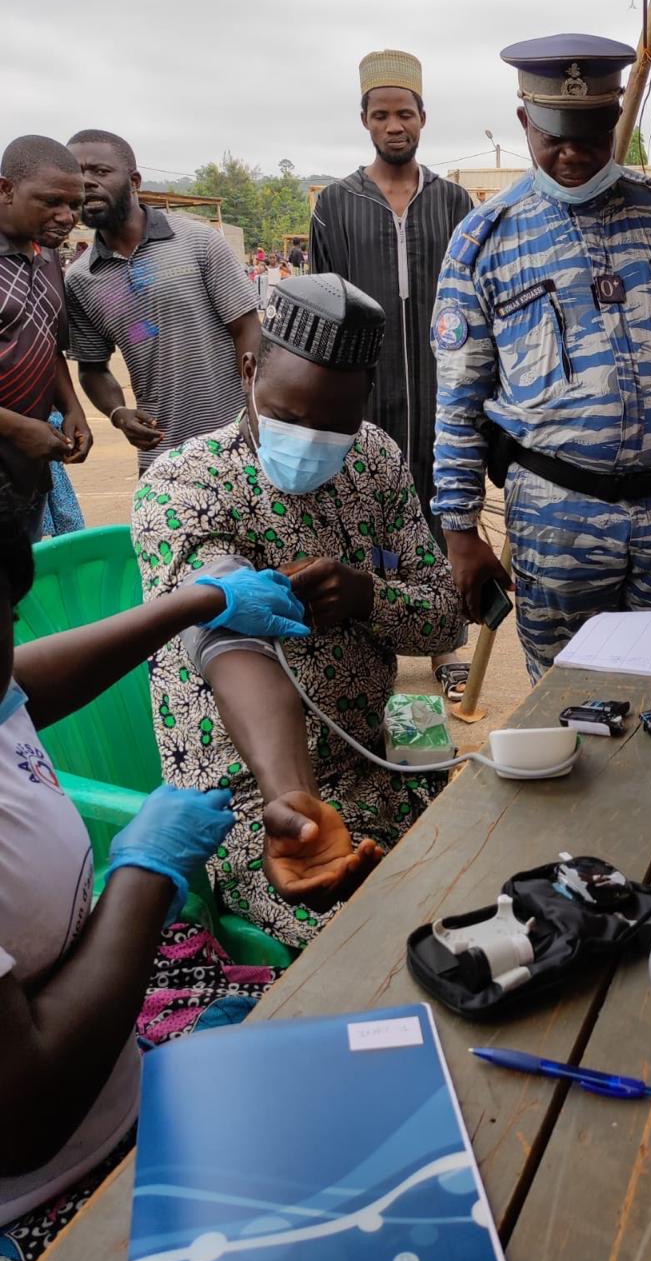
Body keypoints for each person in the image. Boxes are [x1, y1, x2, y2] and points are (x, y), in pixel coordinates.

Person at [0, 486, 312, 1261]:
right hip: (43, 1193)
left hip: (119, 1074)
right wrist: (144, 875)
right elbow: (24, 1117)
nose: (8, 661)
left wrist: (198, 602)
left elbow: (22, 687)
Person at [132, 274, 465, 949]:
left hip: (379, 768)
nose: (312, 439)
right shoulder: (186, 484)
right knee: (383, 947)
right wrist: (293, 802)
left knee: (489, 900)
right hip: (257, 809)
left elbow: (444, 618)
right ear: (250, 369)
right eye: (292, 414)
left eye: (333, 424)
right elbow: (231, 647)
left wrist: (369, 596)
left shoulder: (373, 459)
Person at [431, 33, 651, 679]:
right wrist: (460, 531)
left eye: (590, 132)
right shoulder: (482, 241)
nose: (573, 152)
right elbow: (459, 402)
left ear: (614, 118)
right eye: (554, 134)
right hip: (555, 515)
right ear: (525, 120)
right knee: (566, 694)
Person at [310, 50, 473, 700]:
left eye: (404, 112)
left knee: (445, 513)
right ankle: (377, 633)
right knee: (366, 517)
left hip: (443, 389)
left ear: (423, 118)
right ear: (364, 120)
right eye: (381, 114)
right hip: (364, 391)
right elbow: (324, 302)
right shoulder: (335, 204)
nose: (394, 124)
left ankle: (445, 642)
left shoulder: (453, 200)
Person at [64, 129, 261, 471]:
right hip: (162, 455)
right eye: (77, 174)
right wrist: (117, 412)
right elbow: (92, 368)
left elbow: (246, 328)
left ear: (134, 180)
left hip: (237, 441)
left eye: (100, 171)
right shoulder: (81, 278)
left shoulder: (197, 241)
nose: (87, 182)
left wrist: (255, 409)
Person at [0, 137, 92, 535]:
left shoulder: (49, 254)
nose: (67, 216)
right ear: (6, 189)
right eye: (52, 201)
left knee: (18, 583)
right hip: (21, 443)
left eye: (74, 205)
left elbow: (46, 342)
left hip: (26, 469)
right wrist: (20, 429)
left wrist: (72, 408)